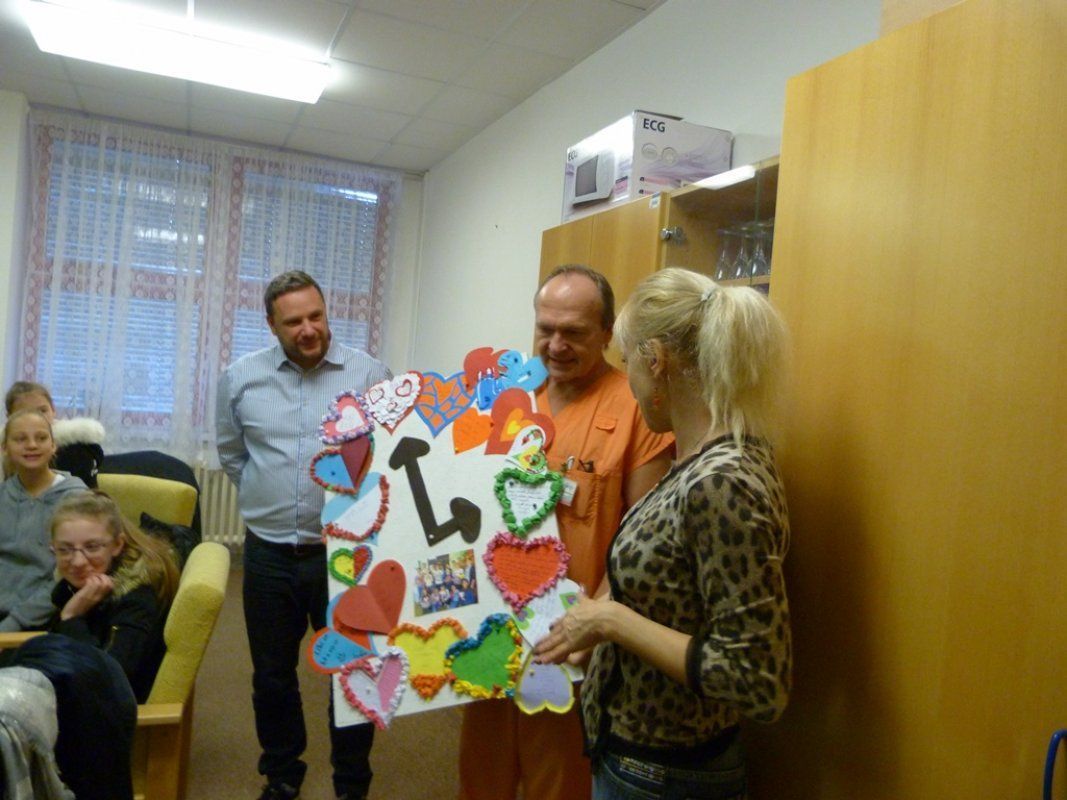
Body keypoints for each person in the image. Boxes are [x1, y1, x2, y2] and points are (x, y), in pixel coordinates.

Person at [534, 268, 793, 799]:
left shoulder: (723, 481)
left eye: (628, 362)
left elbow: (756, 680)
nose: (628, 383)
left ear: (655, 360)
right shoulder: (698, 458)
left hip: (668, 774)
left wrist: (609, 619)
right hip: (640, 759)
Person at [458, 265, 674, 800]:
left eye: (574, 332)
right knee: (481, 773)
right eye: (546, 329)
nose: (556, 345)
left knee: (559, 781)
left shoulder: (638, 409)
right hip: (490, 625)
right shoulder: (501, 398)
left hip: (571, 641)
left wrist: (595, 623)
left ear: (607, 333)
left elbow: (643, 543)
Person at [216, 270, 391, 800]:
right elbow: (233, 454)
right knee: (272, 675)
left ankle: (352, 782)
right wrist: (269, 499)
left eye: (316, 316)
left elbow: (390, 459)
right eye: (294, 322)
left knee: (354, 669)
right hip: (268, 554)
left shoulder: (369, 374)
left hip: (346, 556)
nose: (309, 329)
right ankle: (283, 773)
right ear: (272, 325)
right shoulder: (240, 378)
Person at [48, 490, 179, 703]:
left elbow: (107, 681)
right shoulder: (80, 586)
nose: (78, 561)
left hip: (106, 711)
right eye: (64, 549)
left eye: (92, 547)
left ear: (117, 545)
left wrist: (72, 618)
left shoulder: (137, 597)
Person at [0, 410, 87, 632]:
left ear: (53, 445)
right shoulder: (3, 495)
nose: (32, 445)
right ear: (4, 448)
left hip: (44, 619)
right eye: (20, 439)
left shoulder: (76, 498)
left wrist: (11, 625)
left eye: (41, 438)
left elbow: (66, 576)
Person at [5, 382, 105, 489]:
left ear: (53, 410)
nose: (37, 417)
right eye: (26, 413)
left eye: (43, 410)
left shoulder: (76, 449)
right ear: (9, 417)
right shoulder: (8, 449)